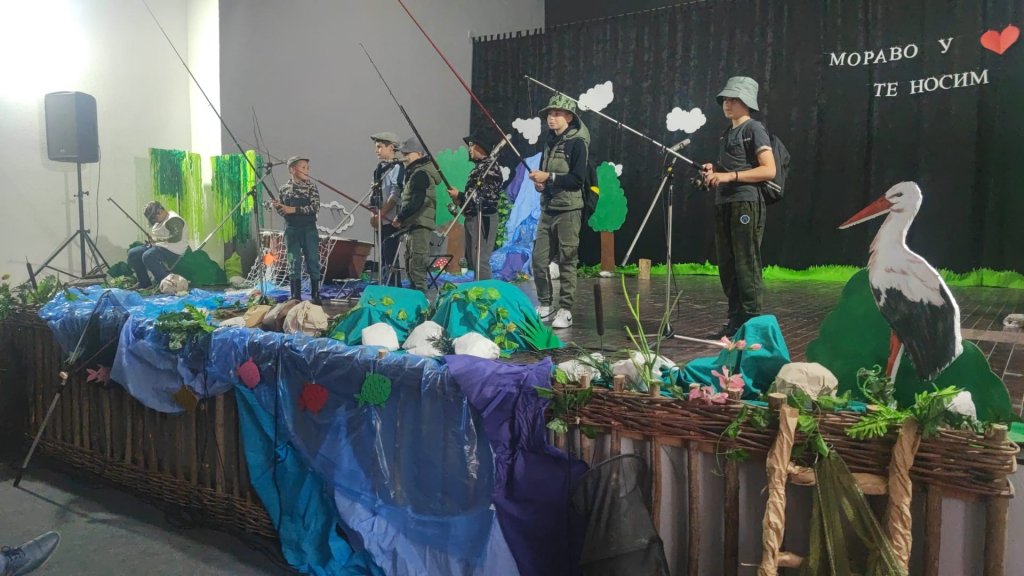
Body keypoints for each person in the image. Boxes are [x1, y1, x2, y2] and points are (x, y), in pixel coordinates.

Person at [700, 76, 776, 338]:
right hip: (724, 203)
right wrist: (714, 171)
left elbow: (769, 170)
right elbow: (730, 168)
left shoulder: (754, 129)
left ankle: (752, 326)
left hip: (745, 203)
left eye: (733, 99)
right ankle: (734, 322)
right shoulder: (726, 134)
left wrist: (729, 176)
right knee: (728, 265)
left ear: (746, 102)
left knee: (746, 263)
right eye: (725, 99)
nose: (727, 103)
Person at [528, 94, 590, 329]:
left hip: (569, 210)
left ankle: (565, 309)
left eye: (556, 114)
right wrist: (541, 183)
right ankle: (545, 304)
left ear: (569, 117)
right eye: (549, 115)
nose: (551, 118)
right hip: (548, 209)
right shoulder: (549, 141)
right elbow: (546, 175)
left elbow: (577, 179)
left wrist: (550, 177)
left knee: (567, 260)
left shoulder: (578, 143)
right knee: (538, 259)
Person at [447, 131, 504, 280]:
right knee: (473, 259)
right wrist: (460, 200)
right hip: (473, 218)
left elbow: (483, 197)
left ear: (480, 147)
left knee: (480, 259)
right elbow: (473, 196)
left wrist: (460, 196)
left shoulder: (490, 169)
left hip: (483, 218)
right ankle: (478, 286)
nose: (469, 149)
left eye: (472, 145)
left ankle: (485, 290)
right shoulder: (479, 168)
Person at [272, 156, 323, 305]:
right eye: (303, 168)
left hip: (309, 229)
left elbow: (315, 207)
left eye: (307, 168)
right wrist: (279, 207)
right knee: (293, 262)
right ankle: (295, 295)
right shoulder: (284, 189)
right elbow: (284, 212)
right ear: (292, 170)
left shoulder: (311, 187)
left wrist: (293, 209)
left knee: (312, 260)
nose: (306, 171)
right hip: (292, 229)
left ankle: (315, 295)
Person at [393, 137, 440, 292]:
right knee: (410, 262)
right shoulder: (415, 173)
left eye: (407, 153)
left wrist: (400, 217)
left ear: (419, 154)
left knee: (417, 265)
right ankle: (415, 297)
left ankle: (422, 300)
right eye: (403, 153)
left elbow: (417, 201)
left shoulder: (421, 174)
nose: (404, 157)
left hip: (420, 224)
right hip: (414, 225)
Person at [368, 132, 405, 286]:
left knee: (390, 256)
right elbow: (373, 194)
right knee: (383, 256)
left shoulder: (397, 167)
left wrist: (382, 214)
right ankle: (384, 284)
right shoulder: (379, 169)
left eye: (380, 147)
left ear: (391, 147)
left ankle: (393, 287)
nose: (376, 150)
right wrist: (373, 214)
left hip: (391, 221)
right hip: (380, 220)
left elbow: (395, 194)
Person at [127, 201, 189, 289]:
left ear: (160, 211)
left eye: (154, 218)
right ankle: (144, 283)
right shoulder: (160, 220)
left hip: (173, 249)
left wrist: (158, 240)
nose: (154, 221)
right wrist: (153, 241)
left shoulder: (173, 220)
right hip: (160, 246)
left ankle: (167, 285)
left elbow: (176, 238)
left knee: (148, 256)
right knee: (133, 253)